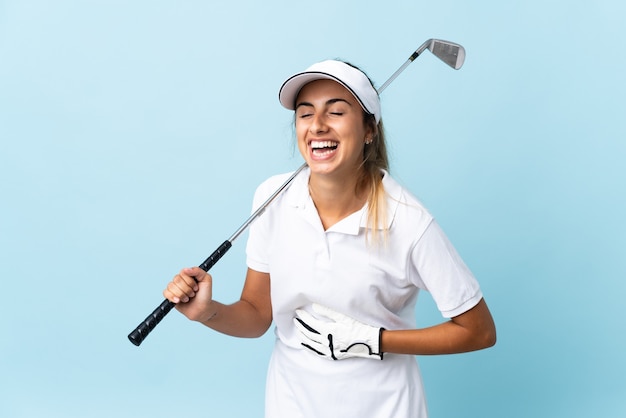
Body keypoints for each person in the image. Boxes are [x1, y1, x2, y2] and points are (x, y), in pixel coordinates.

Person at [163, 59, 496, 418]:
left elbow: (478, 331)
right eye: (305, 114)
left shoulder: (408, 221)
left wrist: (374, 340)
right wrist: (208, 312)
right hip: (291, 405)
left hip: (384, 408)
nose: (317, 126)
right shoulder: (271, 198)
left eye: (335, 112)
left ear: (369, 129)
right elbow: (258, 316)